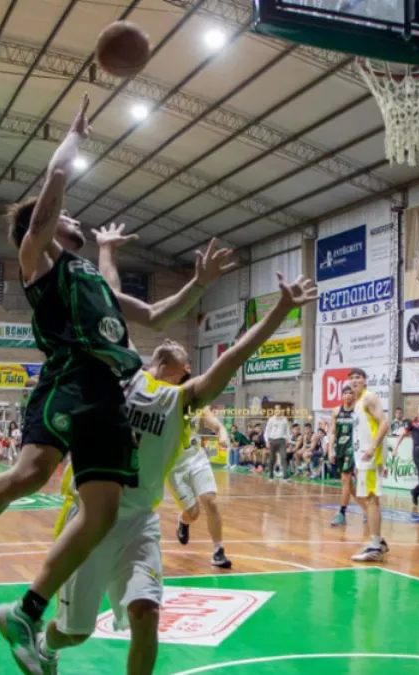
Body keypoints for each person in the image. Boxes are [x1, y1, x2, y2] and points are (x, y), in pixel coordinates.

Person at [0, 96, 233, 675]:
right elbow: (55, 179)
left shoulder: (92, 279)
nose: (73, 217)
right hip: (70, 376)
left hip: (110, 392)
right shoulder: (39, 261)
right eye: (65, 218)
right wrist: (74, 134)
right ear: (48, 227)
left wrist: (200, 283)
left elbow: (155, 313)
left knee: (100, 512)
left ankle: (28, 611)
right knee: (31, 474)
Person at [35, 223, 307, 674]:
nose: (171, 344)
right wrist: (106, 250)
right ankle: (48, 643)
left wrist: (278, 312)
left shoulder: (182, 400)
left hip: (140, 522)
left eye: (180, 352)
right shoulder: (121, 373)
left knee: (147, 616)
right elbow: (108, 297)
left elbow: (233, 356)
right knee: (75, 633)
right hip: (89, 518)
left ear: (183, 372)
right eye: (168, 345)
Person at [172, 406, 233, 568]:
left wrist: (223, 436)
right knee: (193, 513)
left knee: (210, 501)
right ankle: (183, 520)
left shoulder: (197, 402)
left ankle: (218, 550)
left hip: (196, 457)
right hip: (173, 465)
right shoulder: (163, 399)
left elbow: (217, 426)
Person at [348, 369, 389, 563]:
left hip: (371, 456)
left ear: (364, 381)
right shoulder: (357, 403)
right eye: (352, 378)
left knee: (371, 499)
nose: (355, 380)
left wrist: (373, 447)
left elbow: (384, 423)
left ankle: (375, 545)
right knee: (364, 497)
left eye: (358, 377)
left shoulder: (369, 398)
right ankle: (378, 540)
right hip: (362, 457)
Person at [329, 385, 358, 527]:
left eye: (350, 393)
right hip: (339, 447)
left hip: (352, 448)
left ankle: (342, 512)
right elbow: (333, 432)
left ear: (354, 396)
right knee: (349, 484)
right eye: (345, 393)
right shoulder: (336, 411)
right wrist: (330, 451)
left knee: (346, 479)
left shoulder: (358, 410)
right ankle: (366, 508)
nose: (348, 395)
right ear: (342, 395)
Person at [264, 409, 290, 481]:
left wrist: (288, 440)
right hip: (272, 440)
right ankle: (271, 475)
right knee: (272, 458)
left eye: (279, 409)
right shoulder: (271, 419)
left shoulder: (284, 419)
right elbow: (267, 431)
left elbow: (287, 430)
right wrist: (267, 441)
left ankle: (285, 476)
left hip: (282, 441)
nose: (278, 411)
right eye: (276, 409)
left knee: (284, 457)